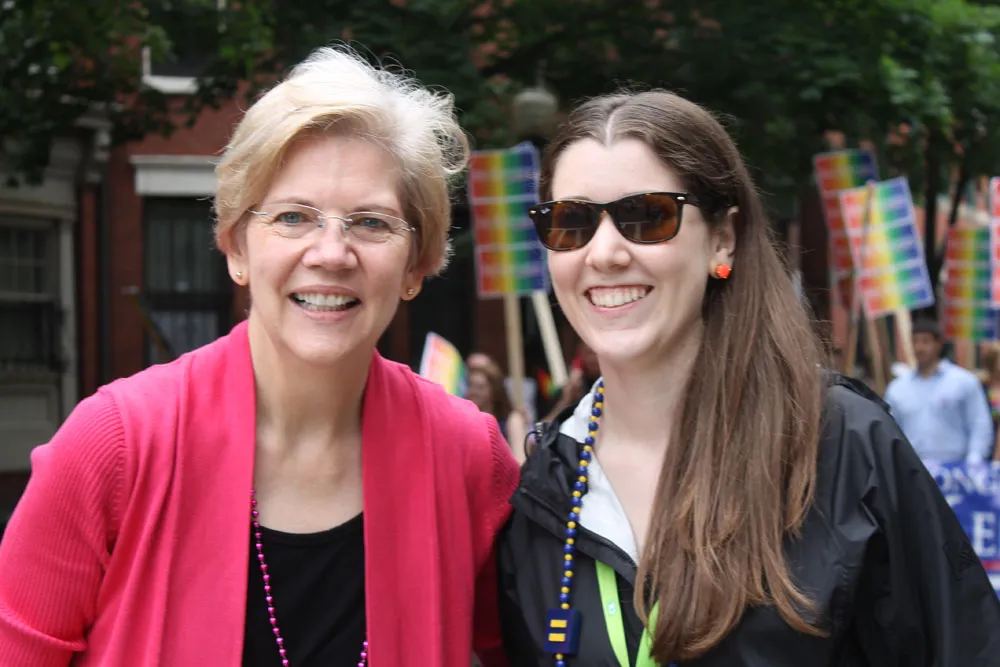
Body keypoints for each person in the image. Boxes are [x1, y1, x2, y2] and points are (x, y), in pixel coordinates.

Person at [0, 46, 517, 667]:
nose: (331, 253)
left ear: (416, 266)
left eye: (371, 222)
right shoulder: (114, 445)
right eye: (294, 216)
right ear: (236, 249)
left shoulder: (468, 457)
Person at [496, 90, 1000, 666]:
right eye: (572, 222)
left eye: (647, 217)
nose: (604, 252)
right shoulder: (545, 486)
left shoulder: (841, 443)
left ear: (723, 238)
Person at [885, 318, 994, 464]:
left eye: (925, 341)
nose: (919, 347)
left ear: (938, 344)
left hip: (956, 467)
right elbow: (889, 432)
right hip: (913, 469)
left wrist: (974, 463)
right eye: (915, 341)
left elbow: (980, 424)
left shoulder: (963, 381)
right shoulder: (897, 389)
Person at [465, 354, 529, 463]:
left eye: (480, 387)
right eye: (470, 385)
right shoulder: (466, 421)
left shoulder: (512, 420)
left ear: (494, 390)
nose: (473, 392)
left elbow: (520, 462)